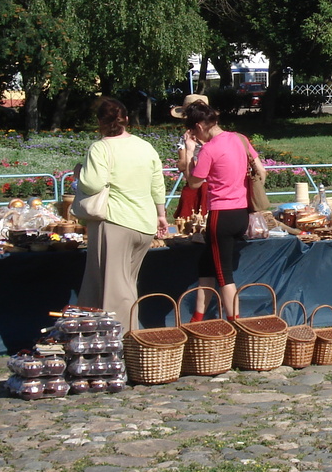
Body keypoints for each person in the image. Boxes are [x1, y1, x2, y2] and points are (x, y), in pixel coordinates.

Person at [75, 97, 169, 326]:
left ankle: (119, 344)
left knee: (116, 291)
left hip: (115, 223)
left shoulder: (100, 147)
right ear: (127, 119)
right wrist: (161, 215)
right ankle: (113, 338)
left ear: (99, 122)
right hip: (144, 224)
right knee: (126, 284)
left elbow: (93, 184)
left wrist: (79, 172)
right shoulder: (145, 147)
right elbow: (157, 185)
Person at [181, 103, 265, 320]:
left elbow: (194, 184)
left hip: (222, 215)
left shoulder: (209, 149)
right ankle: (197, 318)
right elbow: (261, 170)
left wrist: (191, 152)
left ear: (199, 126)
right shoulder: (240, 138)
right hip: (240, 212)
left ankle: (236, 323)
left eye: (192, 130)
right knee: (206, 265)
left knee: (224, 276)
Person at [170, 94, 208, 218]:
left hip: (206, 183)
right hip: (200, 183)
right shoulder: (185, 138)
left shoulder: (211, 137)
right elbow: (182, 164)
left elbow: (182, 164)